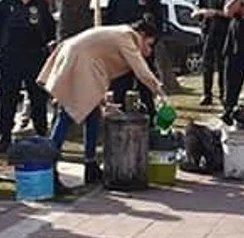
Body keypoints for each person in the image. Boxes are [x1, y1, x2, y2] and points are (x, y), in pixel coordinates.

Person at [39, 20, 166, 192]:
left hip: (79, 58)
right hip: (80, 61)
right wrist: (159, 91)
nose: (149, 51)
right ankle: (48, 168)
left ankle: (90, 166)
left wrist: (103, 101)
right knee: (67, 113)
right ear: (142, 35)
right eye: (150, 45)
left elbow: (100, 67)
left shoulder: (121, 34)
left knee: (92, 113)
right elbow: (140, 70)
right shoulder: (127, 37)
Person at [0, 0, 57, 153]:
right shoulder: (4, 5)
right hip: (11, 58)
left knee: (38, 99)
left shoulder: (41, 5)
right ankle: (5, 138)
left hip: (35, 57)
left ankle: (41, 135)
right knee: (8, 100)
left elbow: (50, 30)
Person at [104, 0, 164, 114]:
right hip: (122, 53)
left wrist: (150, 42)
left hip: (143, 51)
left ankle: (151, 123)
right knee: (119, 91)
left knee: (146, 90)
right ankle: (118, 125)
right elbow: (108, 25)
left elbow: (160, 25)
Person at [194, 0, 230, 107]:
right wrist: (201, 14)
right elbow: (197, 13)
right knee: (207, 65)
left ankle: (223, 93)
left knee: (222, 66)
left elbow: (230, 14)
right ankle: (206, 94)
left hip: (224, 34)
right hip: (209, 34)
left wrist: (215, 13)